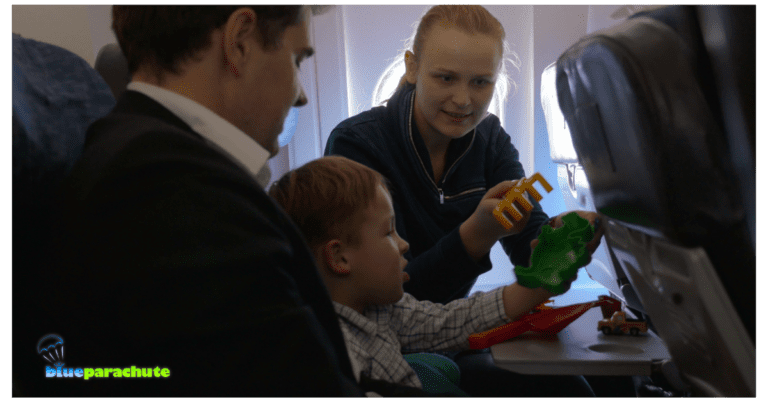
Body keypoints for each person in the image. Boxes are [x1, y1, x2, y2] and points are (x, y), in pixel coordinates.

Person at [37, 5, 408, 397]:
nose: (300, 95)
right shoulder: (178, 194)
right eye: (296, 61)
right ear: (240, 42)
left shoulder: (139, 154)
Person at [325, 4, 603, 397]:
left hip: (451, 327)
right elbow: (389, 296)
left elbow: (530, 246)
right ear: (411, 67)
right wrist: (475, 235)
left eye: (481, 82)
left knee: (580, 387)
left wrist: (557, 246)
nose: (463, 100)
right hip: (384, 340)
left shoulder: (489, 139)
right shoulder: (358, 145)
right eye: (445, 78)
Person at [269, 155, 597, 396]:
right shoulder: (335, 353)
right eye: (389, 232)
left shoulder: (379, 309)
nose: (403, 244)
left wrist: (542, 280)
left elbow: (452, 320)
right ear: (339, 258)